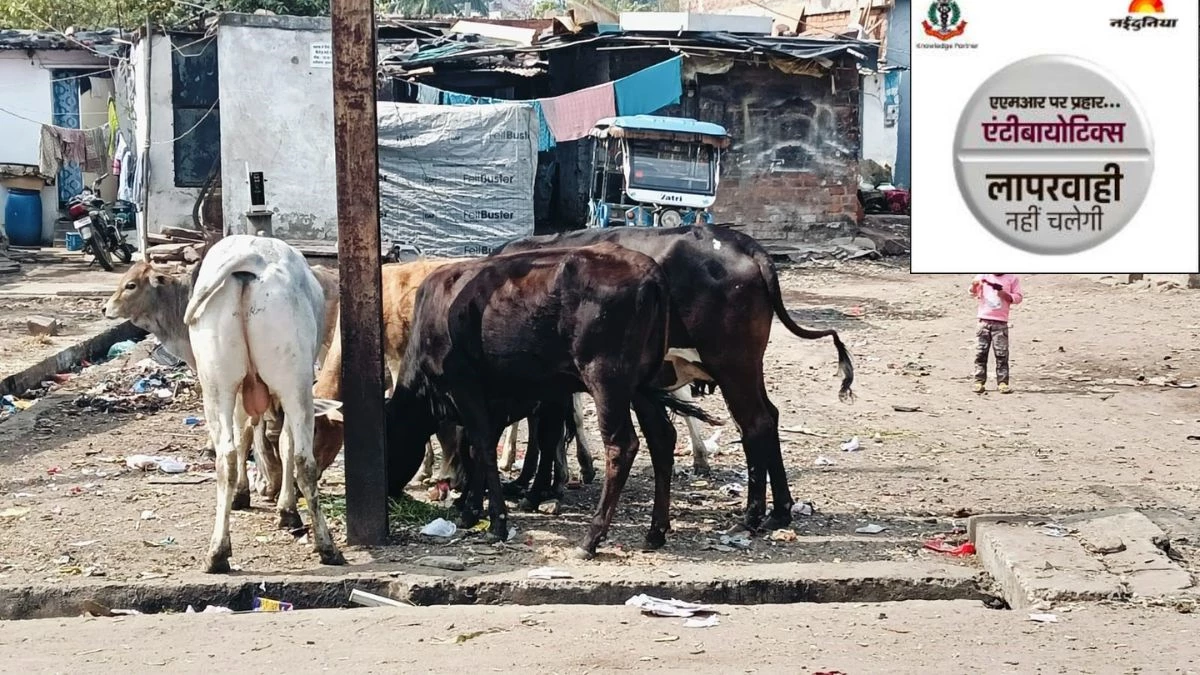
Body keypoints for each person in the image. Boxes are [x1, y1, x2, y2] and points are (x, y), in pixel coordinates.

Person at [969, 274, 1024, 393]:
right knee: (980, 354)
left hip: (1001, 323)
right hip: (983, 321)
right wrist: (974, 285)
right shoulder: (983, 276)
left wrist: (1006, 295)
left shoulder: (1012, 278)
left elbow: (1018, 297)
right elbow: (973, 293)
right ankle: (979, 381)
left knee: (1001, 355)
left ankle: (1003, 382)